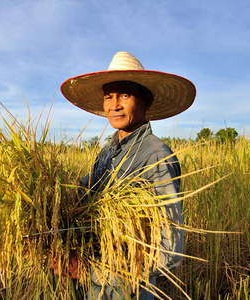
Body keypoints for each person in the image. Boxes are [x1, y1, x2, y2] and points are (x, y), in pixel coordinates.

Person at [55, 51, 196, 299]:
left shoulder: (155, 156)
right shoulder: (107, 152)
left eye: (125, 95)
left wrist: (92, 270)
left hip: (129, 291)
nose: (114, 105)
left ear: (146, 102)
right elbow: (80, 201)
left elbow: (170, 250)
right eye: (108, 97)